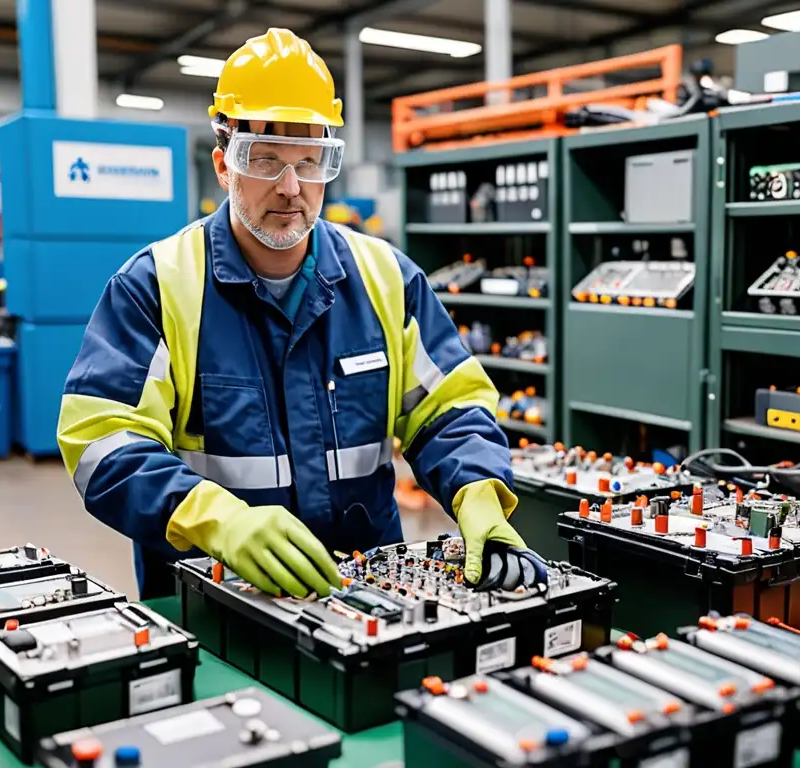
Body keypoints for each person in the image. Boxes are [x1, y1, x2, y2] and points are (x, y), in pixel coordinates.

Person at [57, 28, 538, 600]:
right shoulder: (158, 286)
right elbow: (102, 440)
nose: (291, 188)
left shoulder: (387, 279)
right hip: (215, 598)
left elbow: (449, 407)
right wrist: (219, 521)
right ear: (223, 164)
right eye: (265, 160)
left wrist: (479, 492)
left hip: (365, 597)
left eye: (311, 162)